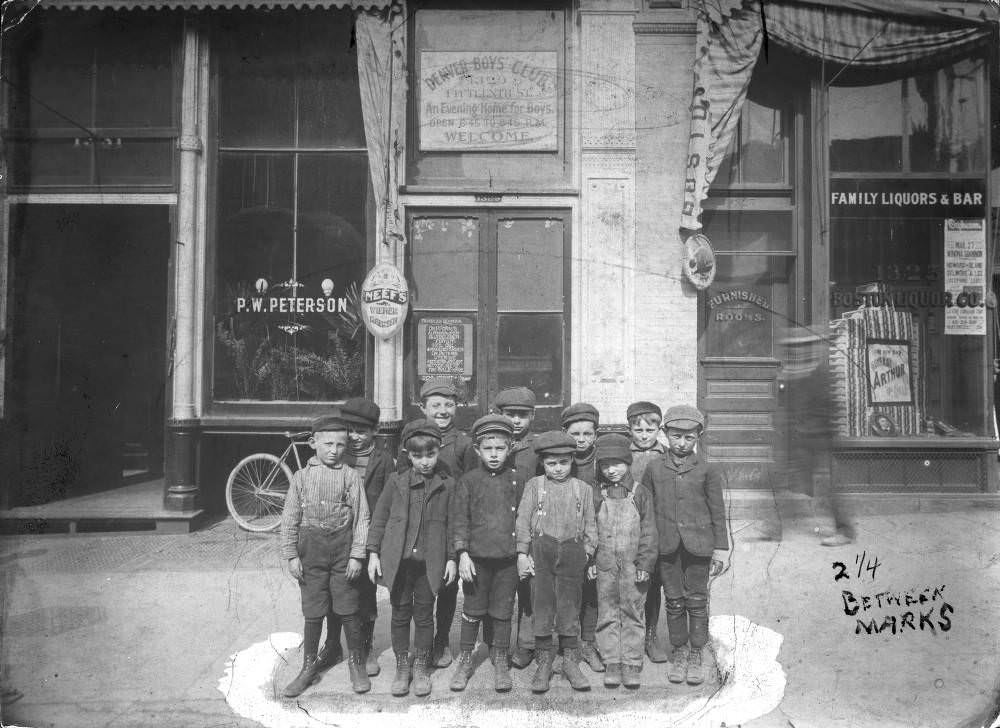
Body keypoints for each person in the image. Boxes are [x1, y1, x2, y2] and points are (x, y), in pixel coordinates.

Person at [280, 414, 371, 697]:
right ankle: (309, 666)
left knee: (347, 608)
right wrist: (291, 554)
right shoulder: (300, 478)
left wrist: (357, 555)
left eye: (341, 445)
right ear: (313, 443)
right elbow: (290, 518)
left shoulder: (350, 476)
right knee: (314, 610)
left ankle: (356, 663)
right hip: (311, 554)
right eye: (328, 444)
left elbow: (362, 518)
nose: (334, 450)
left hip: (343, 553)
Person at [367, 419, 457, 697]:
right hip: (400, 563)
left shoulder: (448, 485)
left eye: (430, 454)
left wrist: (452, 557)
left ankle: (420, 666)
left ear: (439, 451)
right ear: (407, 454)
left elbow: (454, 524)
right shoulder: (396, 482)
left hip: (429, 565)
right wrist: (372, 553)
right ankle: (402, 666)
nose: (425, 462)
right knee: (400, 614)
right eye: (417, 456)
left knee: (424, 616)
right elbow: (379, 519)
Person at [640, 405, 727, 686]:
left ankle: (696, 653)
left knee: (697, 601)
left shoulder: (708, 470)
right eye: (676, 436)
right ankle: (678, 651)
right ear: (665, 434)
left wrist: (721, 548)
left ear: (698, 436)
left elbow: (717, 510)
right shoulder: (654, 468)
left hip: (699, 547)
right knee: (674, 601)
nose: (682, 443)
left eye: (689, 438)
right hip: (666, 547)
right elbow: (645, 509)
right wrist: (647, 547)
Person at [397, 378, 473, 668]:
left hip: (452, 521)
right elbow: (402, 480)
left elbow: (470, 486)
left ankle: (441, 640)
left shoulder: (464, 443)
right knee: (418, 587)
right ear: (423, 407)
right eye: (436, 405)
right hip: (420, 525)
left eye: (449, 405)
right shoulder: (412, 437)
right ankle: (421, 645)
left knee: (447, 585)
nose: (443, 411)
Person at [516, 431, 598, 693]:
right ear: (543, 463)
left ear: (572, 460)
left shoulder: (582, 489)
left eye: (563, 462)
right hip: (541, 549)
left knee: (570, 605)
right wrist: (522, 553)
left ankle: (571, 662)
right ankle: (543, 662)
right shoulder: (534, 485)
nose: (558, 468)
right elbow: (522, 520)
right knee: (541, 605)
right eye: (552, 463)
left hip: (573, 550)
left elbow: (591, 524)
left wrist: (587, 551)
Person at [449, 414, 525, 693]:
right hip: (477, 560)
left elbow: (525, 520)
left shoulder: (518, 480)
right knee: (473, 610)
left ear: (510, 448)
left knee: (503, 611)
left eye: (500, 448)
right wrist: (463, 554)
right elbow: (460, 520)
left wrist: (522, 553)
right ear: (477, 450)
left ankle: (501, 658)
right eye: (488, 449)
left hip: (507, 559)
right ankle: (466, 658)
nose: (494, 455)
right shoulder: (468, 481)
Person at [591, 434, 658, 689]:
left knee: (633, 610)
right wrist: (591, 562)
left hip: (633, 566)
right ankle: (611, 661)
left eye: (617, 464)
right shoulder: (597, 493)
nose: (611, 470)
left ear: (627, 463)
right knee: (607, 610)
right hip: (605, 562)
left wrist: (645, 565)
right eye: (605, 465)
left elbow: (650, 532)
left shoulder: (640, 493)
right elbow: (590, 528)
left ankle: (631, 661)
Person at [340, 396, 395, 677]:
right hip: (338, 536)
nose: (354, 437)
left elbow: (387, 501)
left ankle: (364, 647)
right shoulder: (338, 455)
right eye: (349, 430)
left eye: (361, 431)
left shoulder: (384, 460)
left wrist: (377, 543)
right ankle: (334, 645)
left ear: (375, 431)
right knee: (336, 591)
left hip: (367, 536)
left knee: (365, 594)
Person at [495, 386, 541, 669]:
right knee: (499, 588)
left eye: (522, 415)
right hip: (497, 526)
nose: (515, 421)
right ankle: (497, 644)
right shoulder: (491, 444)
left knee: (528, 588)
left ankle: (526, 644)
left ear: (532, 416)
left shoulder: (537, 448)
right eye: (509, 414)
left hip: (528, 527)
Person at [625, 400, 669, 663]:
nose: (643, 436)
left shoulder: (665, 455)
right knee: (627, 581)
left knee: (652, 582)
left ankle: (651, 635)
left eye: (649, 431)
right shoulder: (622, 453)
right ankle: (629, 635)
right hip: (628, 524)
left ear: (658, 430)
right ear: (629, 428)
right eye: (637, 430)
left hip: (656, 525)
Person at [560, 402, 603, 673]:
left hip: (598, 538)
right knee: (567, 593)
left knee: (592, 593)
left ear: (596, 435)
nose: (581, 440)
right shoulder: (559, 462)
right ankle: (568, 646)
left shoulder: (603, 462)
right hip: (567, 538)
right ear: (565, 432)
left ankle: (588, 642)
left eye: (588, 434)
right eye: (575, 434)